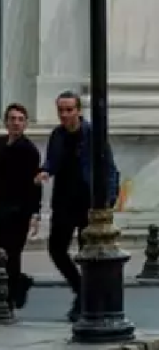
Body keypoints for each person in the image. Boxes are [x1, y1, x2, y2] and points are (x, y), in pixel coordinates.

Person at [36, 91, 120, 323]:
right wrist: (45, 171)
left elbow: (109, 167)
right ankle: (81, 289)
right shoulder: (58, 134)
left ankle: (87, 301)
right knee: (56, 248)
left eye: (69, 110)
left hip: (88, 203)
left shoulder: (92, 134)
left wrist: (109, 200)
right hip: (63, 201)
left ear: (79, 110)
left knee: (87, 253)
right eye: (61, 110)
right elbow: (52, 159)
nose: (64, 115)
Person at [0, 103, 42, 311]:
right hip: (2, 207)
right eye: (12, 119)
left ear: (25, 123)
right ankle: (18, 284)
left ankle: (11, 296)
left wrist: (35, 213)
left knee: (12, 253)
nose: (15, 123)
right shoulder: (1, 144)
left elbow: (35, 185)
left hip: (19, 210)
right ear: (6, 122)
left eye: (20, 119)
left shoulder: (29, 151)